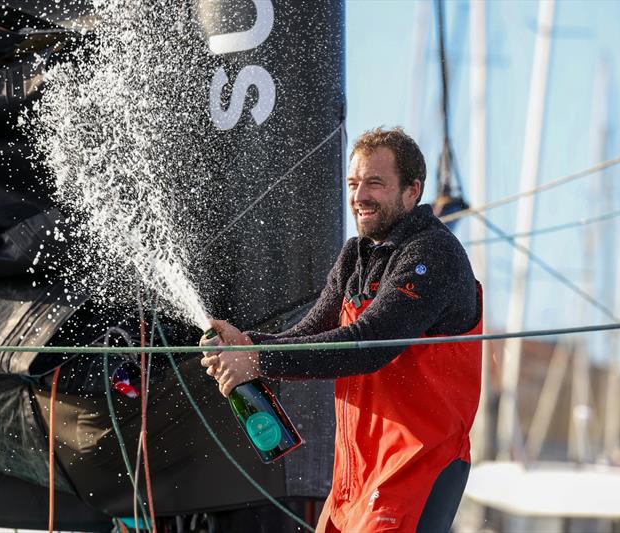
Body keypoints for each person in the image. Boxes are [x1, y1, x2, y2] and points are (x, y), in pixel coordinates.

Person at [201, 127, 482, 533]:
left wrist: (257, 361)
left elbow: (367, 345)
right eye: (353, 183)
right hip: (355, 474)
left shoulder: (432, 253)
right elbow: (313, 328)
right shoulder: (356, 254)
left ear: (412, 191)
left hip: (414, 467)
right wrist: (246, 345)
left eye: (375, 183)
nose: (359, 196)